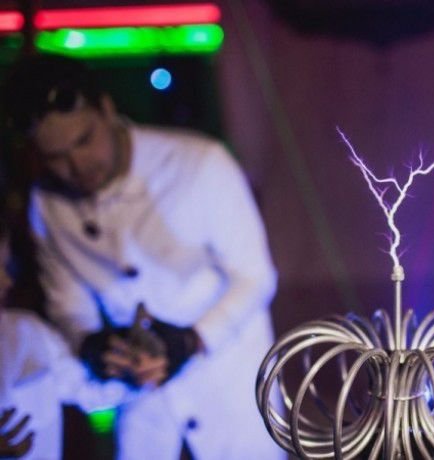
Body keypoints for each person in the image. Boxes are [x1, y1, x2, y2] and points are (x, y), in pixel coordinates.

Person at [2, 53, 284, 460]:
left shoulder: (199, 164)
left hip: (230, 392)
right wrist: (95, 345)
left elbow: (256, 277)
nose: (77, 166)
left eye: (84, 140)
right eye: (55, 157)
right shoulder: (45, 205)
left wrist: (192, 340)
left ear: (106, 109)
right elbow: (70, 309)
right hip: (140, 405)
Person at [0, 201, 131, 459]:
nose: (6, 282)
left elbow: (93, 392)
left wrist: (125, 360)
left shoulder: (26, 333)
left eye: (5, 265)